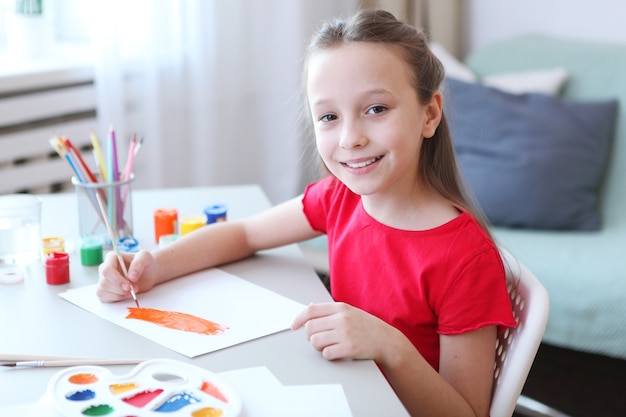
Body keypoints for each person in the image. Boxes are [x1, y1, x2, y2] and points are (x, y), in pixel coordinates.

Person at [98, 9, 516, 417]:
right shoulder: (340, 197)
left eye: (376, 109)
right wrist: (154, 266)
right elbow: (245, 234)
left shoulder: (467, 260)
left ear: (429, 114)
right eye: (329, 117)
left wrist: (391, 346)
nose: (350, 138)